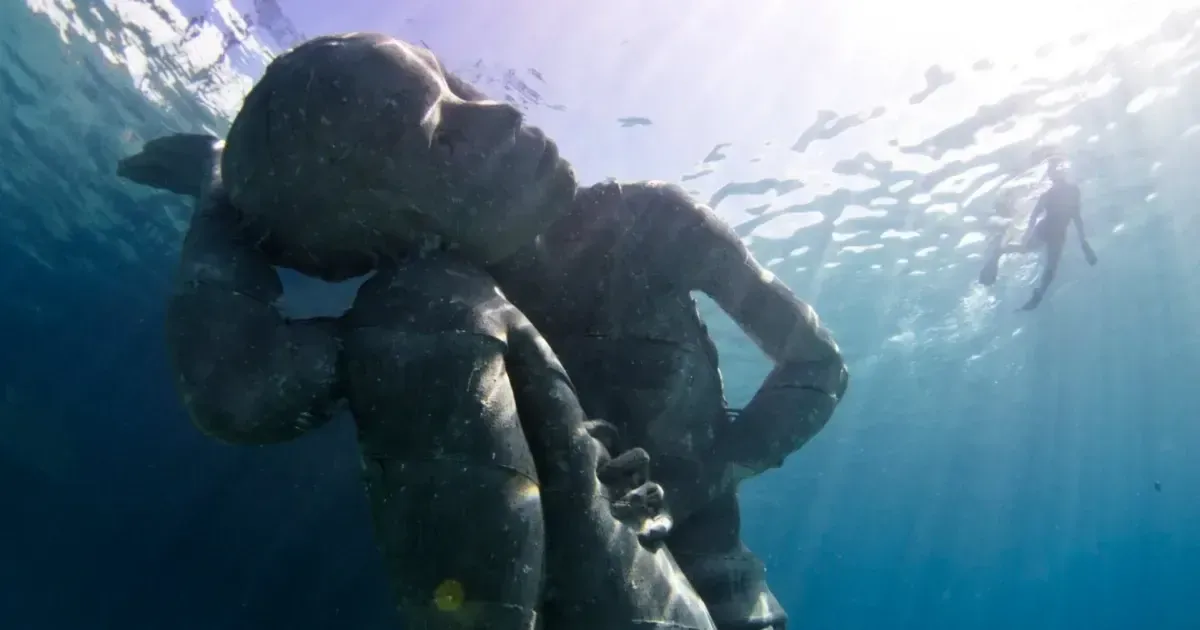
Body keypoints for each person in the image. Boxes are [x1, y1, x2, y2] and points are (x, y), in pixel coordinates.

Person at [119, 34, 721, 630]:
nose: (504, 110)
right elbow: (237, 391)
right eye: (442, 133)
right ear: (396, 230)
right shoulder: (432, 307)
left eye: (451, 84)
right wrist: (218, 188)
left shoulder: (619, 230)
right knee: (423, 310)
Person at [1013, 159, 1098, 310]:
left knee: (1051, 269)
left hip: (1057, 234)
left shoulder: (1072, 191)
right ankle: (999, 253)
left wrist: (1084, 244)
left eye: (1056, 171)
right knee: (1026, 250)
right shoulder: (1049, 194)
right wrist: (1027, 233)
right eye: (1053, 172)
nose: (1055, 175)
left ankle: (1038, 296)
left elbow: (1076, 216)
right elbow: (1034, 214)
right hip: (1046, 229)